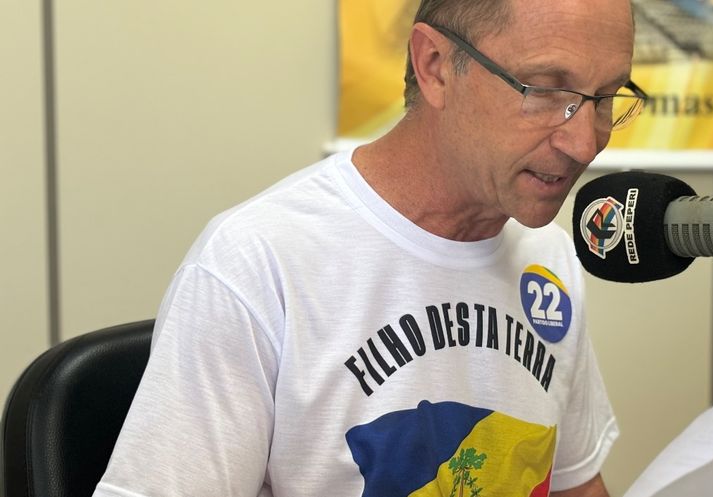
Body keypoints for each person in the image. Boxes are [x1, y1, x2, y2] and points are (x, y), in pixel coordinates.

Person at [94, 0, 645, 495]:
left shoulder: (547, 255)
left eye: (605, 99)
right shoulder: (258, 260)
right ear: (435, 66)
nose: (585, 143)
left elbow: (572, 482)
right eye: (546, 90)